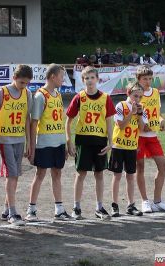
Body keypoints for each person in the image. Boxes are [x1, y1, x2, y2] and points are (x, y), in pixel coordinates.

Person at [66, 66, 116, 220]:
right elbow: (68, 121)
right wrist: (69, 140)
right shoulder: (79, 97)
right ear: (83, 80)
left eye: (92, 77)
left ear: (98, 79)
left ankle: (99, 207)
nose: (89, 81)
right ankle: (77, 207)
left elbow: (109, 122)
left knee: (99, 173)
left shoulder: (105, 98)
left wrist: (110, 141)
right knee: (81, 173)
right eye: (86, 78)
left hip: (100, 140)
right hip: (83, 139)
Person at [26, 64, 73, 222]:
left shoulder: (58, 94)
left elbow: (60, 120)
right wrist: (32, 147)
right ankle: (31, 210)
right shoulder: (40, 96)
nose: (63, 79)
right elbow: (34, 123)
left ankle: (59, 209)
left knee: (57, 174)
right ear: (53, 76)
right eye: (61, 76)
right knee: (40, 174)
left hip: (58, 143)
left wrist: (64, 144)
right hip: (44, 143)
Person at [0, 65, 33, 225]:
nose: (24, 86)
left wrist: (29, 142)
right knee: (11, 175)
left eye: (27, 83)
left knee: (15, 175)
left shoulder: (27, 93)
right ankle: (12, 213)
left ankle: (6, 209)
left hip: (19, 139)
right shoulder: (2, 92)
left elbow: (26, 119)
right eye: (22, 82)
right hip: (5, 139)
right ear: (14, 78)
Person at [136, 66, 165, 213]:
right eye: (144, 79)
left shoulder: (155, 93)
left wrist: (161, 119)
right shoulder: (136, 94)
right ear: (138, 80)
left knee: (163, 166)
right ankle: (145, 201)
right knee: (140, 167)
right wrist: (142, 125)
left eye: (149, 78)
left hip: (152, 135)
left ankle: (158, 201)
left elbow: (157, 113)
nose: (147, 81)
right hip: (138, 136)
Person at [110, 83, 147, 217]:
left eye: (140, 97)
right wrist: (132, 113)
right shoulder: (121, 106)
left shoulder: (141, 109)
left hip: (131, 146)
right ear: (128, 94)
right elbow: (120, 125)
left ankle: (131, 205)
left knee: (131, 176)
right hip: (119, 146)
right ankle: (114, 205)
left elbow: (142, 129)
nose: (137, 99)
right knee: (117, 175)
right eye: (135, 96)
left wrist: (140, 114)